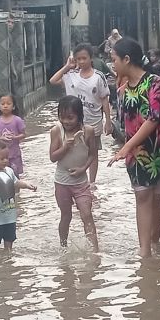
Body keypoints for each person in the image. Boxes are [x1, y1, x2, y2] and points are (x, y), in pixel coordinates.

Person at [107, 38, 160, 258]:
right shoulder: (122, 90)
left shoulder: (155, 82)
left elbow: (154, 118)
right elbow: (123, 123)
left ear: (127, 59)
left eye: (114, 60)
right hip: (135, 154)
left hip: (158, 150)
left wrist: (126, 147)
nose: (112, 65)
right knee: (142, 196)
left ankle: (155, 240)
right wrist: (125, 149)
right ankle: (145, 250)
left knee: (157, 196)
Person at [50, 43, 111, 187]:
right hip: (71, 121)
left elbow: (104, 100)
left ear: (91, 58)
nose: (81, 61)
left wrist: (108, 121)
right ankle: (70, 176)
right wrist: (67, 67)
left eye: (84, 58)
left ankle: (92, 182)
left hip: (93, 120)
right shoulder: (70, 76)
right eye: (78, 59)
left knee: (92, 151)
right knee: (70, 147)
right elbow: (52, 81)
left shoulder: (98, 77)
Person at [50, 96, 99, 250]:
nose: (66, 121)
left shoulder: (88, 131)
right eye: (62, 117)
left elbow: (92, 154)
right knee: (66, 216)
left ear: (79, 116)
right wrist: (65, 147)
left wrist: (83, 169)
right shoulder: (56, 131)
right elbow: (52, 157)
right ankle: (63, 247)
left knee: (87, 215)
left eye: (70, 117)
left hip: (81, 182)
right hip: (62, 182)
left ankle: (94, 251)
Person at [0, 141, 37, 252]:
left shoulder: (9, 171)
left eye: (7, 158)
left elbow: (16, 183)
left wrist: (26, 185)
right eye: (2, 158)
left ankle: (8, 258)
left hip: (10, 216)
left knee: (9, 241)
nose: (6, 161)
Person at [0, 93, 27, 176]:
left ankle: (16, 189)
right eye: (3, 104)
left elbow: (24, 134)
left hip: (15, 154)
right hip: (0, 156)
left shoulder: (17, 120)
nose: (5, 106)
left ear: (13, 106)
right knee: (2, 174)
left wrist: (15, 137)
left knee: (15, 175)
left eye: (8, 104)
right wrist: (1, 138)